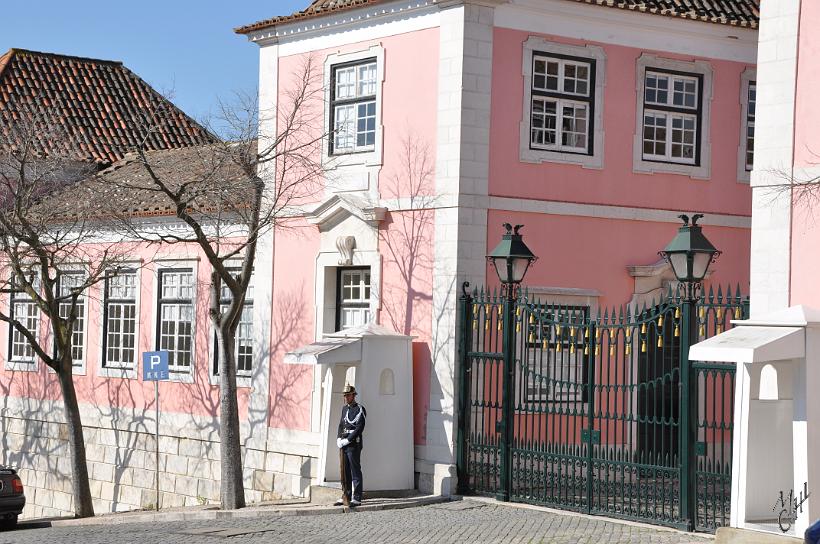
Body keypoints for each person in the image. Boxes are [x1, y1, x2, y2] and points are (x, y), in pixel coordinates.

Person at [335, 384, 366, 506]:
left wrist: (348, 440)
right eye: (345, 395)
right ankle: (346, 495)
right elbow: (341, 425)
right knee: (345, 471)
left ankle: (357, 497)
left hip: (353, 444)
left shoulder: (360, 409)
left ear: (353, 395)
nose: (346, 397)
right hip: (343, 443)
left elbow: (359, 427)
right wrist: (339, 438)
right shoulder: (344, 409)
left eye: (348, 395)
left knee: (355, 470)